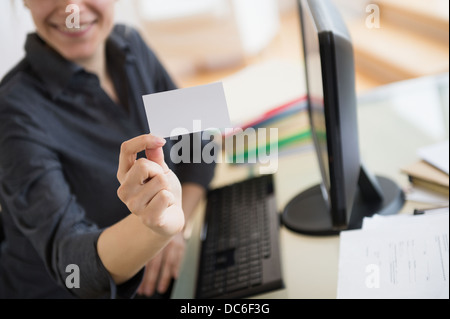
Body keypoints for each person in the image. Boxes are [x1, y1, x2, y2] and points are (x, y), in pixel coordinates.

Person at [0, 0, 216, 299]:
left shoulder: (131, 43)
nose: (72, 8)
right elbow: (73, 266)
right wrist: (155, 231)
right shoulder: (13, 113)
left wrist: (176, 229)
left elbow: (198, 144)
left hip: (158, 276)